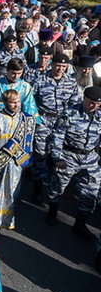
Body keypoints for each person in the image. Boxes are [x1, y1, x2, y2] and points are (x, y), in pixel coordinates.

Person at [46, 86, 101, 242]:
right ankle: (52, 210)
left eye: (98, 103)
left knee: (90, 192)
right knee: (58, 187)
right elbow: (57, 136)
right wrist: (57, 158)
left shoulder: (100, 116)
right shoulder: (69, 113)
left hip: (89, 158)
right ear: (84, 98)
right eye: (91, 102)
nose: (94, 106)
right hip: (68, 155)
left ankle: (80, 224)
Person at [0, 90, 35, 230]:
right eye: (12, 102)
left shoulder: (26, 119)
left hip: (15, 164)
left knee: (11, 193)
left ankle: (5, 221)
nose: (16, 105)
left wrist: (26, 160)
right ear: (5, 102)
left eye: (18, 101)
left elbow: (27, 142)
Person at [29, 52, 79, 196]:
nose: (60, 69)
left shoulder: (71, 82)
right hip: (44, 121)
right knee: (40, 153)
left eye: (64, 66)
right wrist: (36, 120)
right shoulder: (40, 80)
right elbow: (31, 102)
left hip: (62, 123)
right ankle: (38, 185)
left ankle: (54, 187)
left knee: (59, 154)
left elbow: (75, 104)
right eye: (58, 65)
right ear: (52, 64)